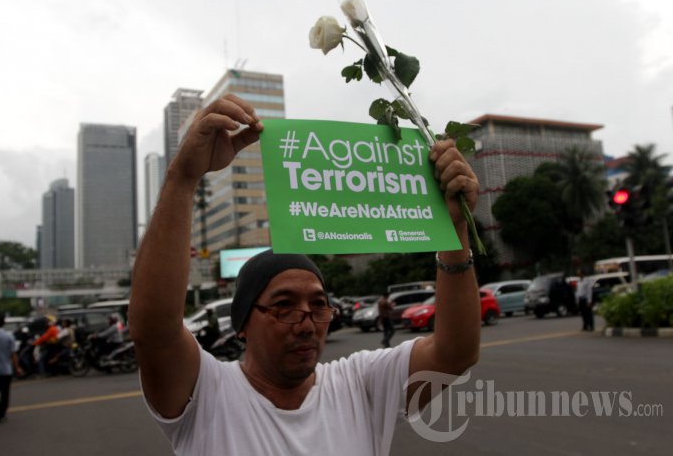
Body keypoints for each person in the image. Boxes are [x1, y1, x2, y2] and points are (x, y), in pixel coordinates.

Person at [129, 95, 481, 455]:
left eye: (318, 305)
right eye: (284, 306)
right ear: (242, 324)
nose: (307, 323)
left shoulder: (361, 384)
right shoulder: (207, 394)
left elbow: (454, 354)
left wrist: (454, 230)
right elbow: (154, 331)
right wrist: (182, 178)